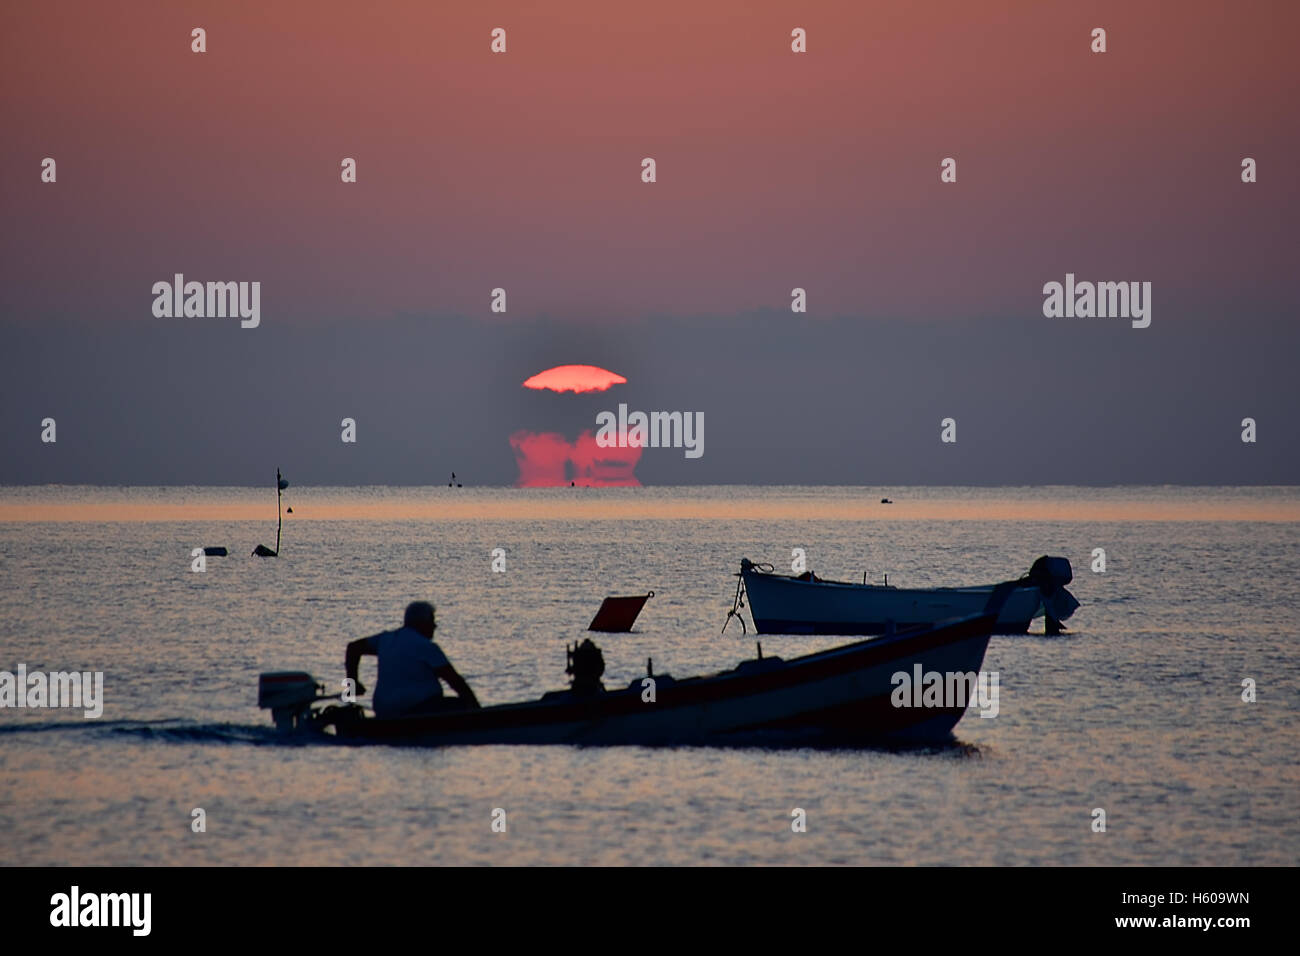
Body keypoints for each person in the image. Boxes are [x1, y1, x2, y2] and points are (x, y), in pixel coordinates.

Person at [345, 601, 480, 718]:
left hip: (383, 710)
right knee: (462, 703)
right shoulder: (426, 646)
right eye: (432, 621)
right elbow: (455, 681)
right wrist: (476, 709)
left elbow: (353, 648)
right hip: (416, 709)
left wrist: (352, 687)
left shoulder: (385, 639)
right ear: (422, 623)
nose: (435, 626)